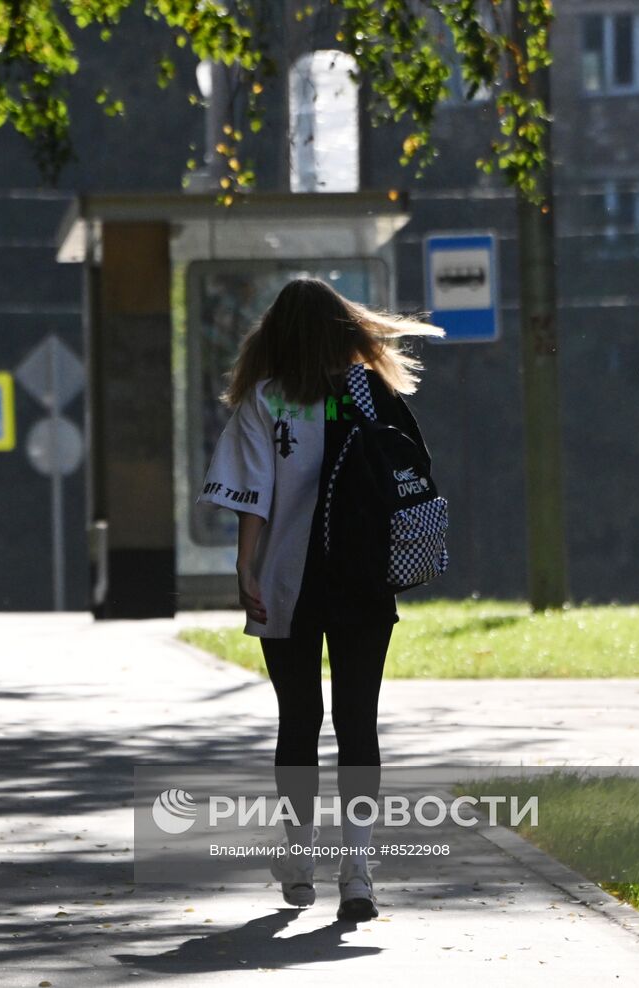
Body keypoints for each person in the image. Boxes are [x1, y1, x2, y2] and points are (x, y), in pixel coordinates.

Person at [196, 277, 442, 921]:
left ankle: (299, 860)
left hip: (288, 584)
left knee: (298, 722)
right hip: (365, 580)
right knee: (358, 723)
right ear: (344, 329)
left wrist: (244, 571)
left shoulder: (265, 401)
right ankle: (357, 872)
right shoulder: (370, 395)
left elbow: (252, 498)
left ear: (277, 334)